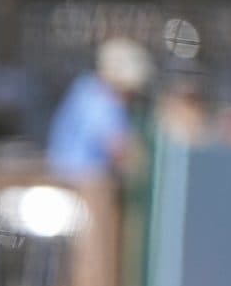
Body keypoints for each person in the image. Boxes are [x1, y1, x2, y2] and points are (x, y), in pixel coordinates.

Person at [48, 37, 154, 180]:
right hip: (86, 180)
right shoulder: (103, 99)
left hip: (70, 174)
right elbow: (119, 147)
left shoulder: (85, 87)